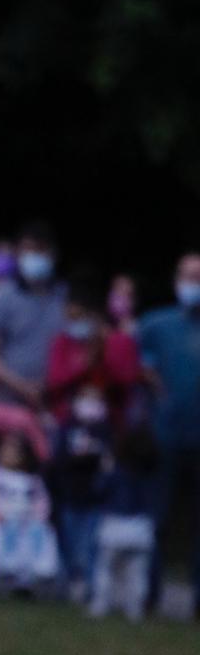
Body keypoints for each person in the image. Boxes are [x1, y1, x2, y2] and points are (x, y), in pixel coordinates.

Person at [138, 251, 200, 617]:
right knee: (157, 518)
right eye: (189, 276)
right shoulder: (156, 325)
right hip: (165, 437)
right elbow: (141, 369)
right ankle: (149, 594)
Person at [0, 222, 67, 461]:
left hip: (49, 408)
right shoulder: (0, 296)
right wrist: (23, 388)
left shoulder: (63, 298)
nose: (35, 257)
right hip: (2, 407)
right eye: (29, 250)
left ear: (53, 254)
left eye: (41, 251)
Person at [45, 284, 142, 430]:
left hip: (111, 425)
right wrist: (83, 364)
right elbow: (54, 381)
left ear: (95, 316)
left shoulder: (121, 342)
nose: (73, 324)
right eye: (70, 319)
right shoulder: (62, 342)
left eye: (78, 318)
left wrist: (102, 354)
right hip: (68, 424)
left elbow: (127, 380)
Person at [48, 384, 112, 601]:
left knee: (90, 546)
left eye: (96, 399)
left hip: (93, 499)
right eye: (87, 398)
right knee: (68, 543)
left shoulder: (105, 431)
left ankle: (88, 589)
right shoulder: (66, 429)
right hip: (69, 496)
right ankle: (64, 588)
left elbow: (107, 465)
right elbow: (59, 460)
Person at [88, 427, 157, 621]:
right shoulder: (149, 474)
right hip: (141, 527)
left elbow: (98, 491)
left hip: (115, 525)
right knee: (137, 574)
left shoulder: (115, 472)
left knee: (105, 569)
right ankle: (134, 610)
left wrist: (105, 470)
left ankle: (100, 605)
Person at [0, 433, 59, 595]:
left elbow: (42, 501)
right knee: (2, 544)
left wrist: (37, 516)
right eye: (6, 450)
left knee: (36, 539)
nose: (10, 455)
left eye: (15, 452)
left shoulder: (31, 480)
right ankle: (4, 577)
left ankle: (27, 582)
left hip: (26, 523)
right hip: (2, 522)